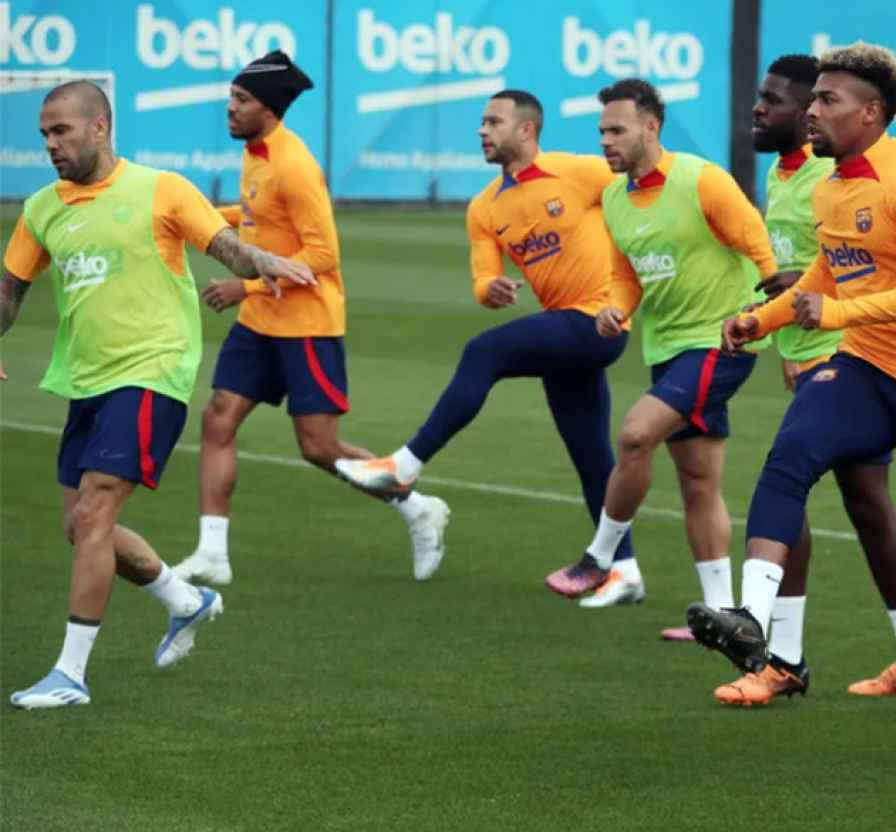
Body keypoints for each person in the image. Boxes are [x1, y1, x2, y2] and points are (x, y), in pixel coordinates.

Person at [691, 43, 896, 779]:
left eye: (828, 100)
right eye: (815, 97)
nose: (814, 110)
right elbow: (834, 266)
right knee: (790, 457)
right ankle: (753, 622)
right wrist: (760, 320)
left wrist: (836, 310)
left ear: (871, 113)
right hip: (864, 364)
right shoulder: (830, 184)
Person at [2, 80, 314, 709]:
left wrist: (261, 262)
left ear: (99, 127)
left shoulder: (160, 189)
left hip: (152, 372)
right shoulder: (41, 208)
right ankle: (185, 598)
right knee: (80, 526)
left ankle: (70, 674)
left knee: (93, 515)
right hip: (86, 378)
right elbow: (10, 289)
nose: (50, 145)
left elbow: (224, 247)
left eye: (61, 131)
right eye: (43, 135)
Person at [713, 54, 896, 707]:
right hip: (815, 344)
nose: (764, 109)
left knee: (792, 479)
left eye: (776, 99)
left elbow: (863, 259)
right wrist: (771, 322)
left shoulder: (837, 165)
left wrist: (810, 314)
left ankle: (780, 655)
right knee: (866, 506)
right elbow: (822, 262)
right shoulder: (790, 173)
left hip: (849, 350)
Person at [173, 51, 450, 586]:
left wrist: (245, 284)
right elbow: (256, 219)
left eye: (242, 100)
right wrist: (197, 219)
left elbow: (323, 255)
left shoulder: (294, 165)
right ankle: (212, 553)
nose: (230, 108)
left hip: (306, 325)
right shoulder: (255, 153)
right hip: (261, 321)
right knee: (218, 418)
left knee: (318, 447)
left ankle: (418, 509)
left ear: (270, 109)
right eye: (231, 97)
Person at [335, 90, 630, 582]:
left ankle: (406, 465)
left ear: (527, 130)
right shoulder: (484, 208)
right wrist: (488, 289)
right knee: (592, 457)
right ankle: (622, 568)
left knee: (484, 351)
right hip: (565, 331)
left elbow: (640, 196)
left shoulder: (579, 172)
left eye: (493, 121)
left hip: (598, 321)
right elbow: (481, 278)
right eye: (481, 122)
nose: (482, 131)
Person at [545, 78, 777, 643]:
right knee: (698, 481)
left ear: (652, 127)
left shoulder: (701, 180)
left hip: (720, 342)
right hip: (669, 346)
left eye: (617, 129)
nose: (606, 141)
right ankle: (723, 617)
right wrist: (616, 311)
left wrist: (768, 306)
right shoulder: (615, 199)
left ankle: (599, 557)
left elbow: (757, 242)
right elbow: (626, 273)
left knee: (633, 435)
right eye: (601, 130)